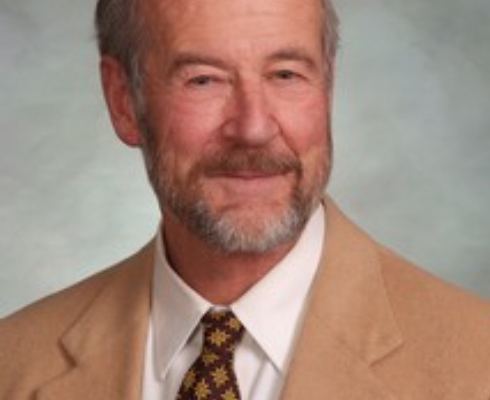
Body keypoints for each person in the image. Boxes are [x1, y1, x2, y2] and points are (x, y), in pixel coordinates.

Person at [1, 0, 490, 398]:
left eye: (285, 74)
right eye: (203, 79)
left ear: (328, 82)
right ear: (123, 100)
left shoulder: (477, 364)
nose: (253, 128)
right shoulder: (14, 365)